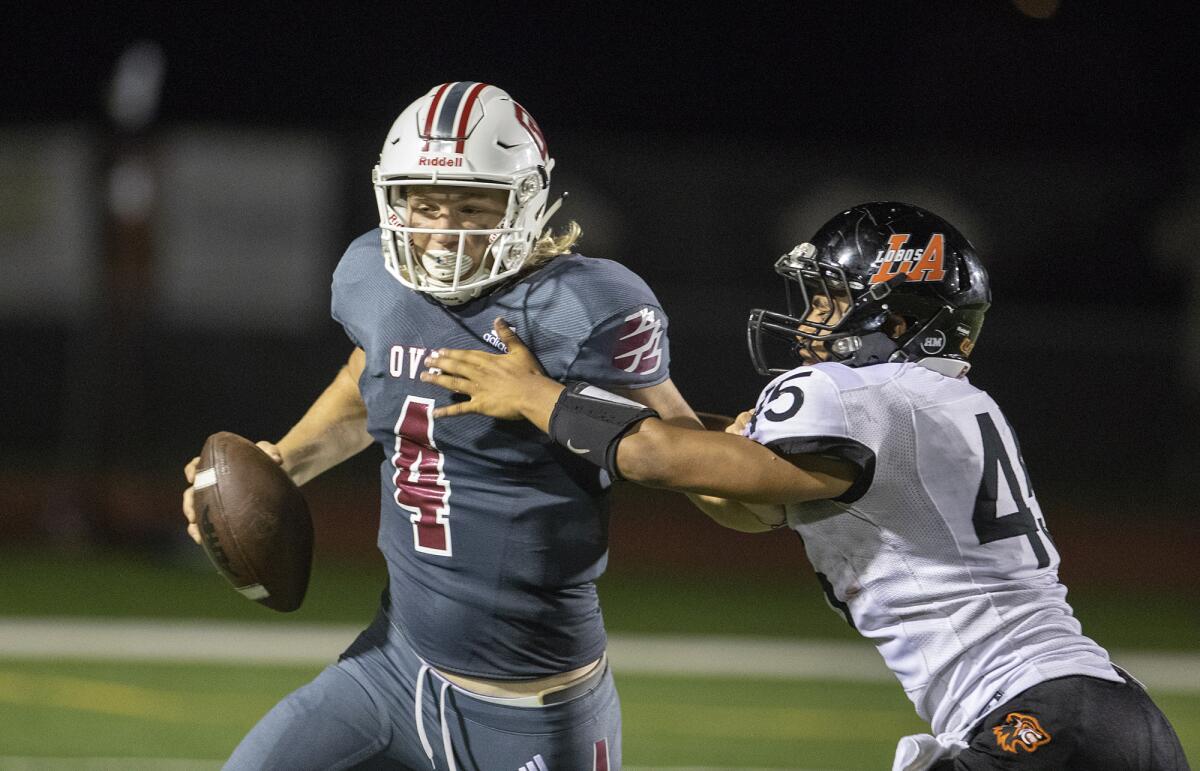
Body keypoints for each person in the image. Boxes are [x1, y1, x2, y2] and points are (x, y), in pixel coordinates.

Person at [420, 202, 1190, 770]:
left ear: (896, 312)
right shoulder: (941, 401)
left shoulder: (860, 394)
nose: (814, 321)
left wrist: (540, 398)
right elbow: (740, 501)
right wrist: (642, 402)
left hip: (1043, 718)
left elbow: (674, 463)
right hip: (1105, 718)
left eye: (830, 298)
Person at [182, 81, 699, 770]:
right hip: (390, 670)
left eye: (472, 206)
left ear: (525, 202)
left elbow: (691, 457)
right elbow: (370, 384)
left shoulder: (584, 305)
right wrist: (280, 463)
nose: (442, 230)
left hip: (534, 708)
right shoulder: (377, 276)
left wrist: (546, 398)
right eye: (424, 205)